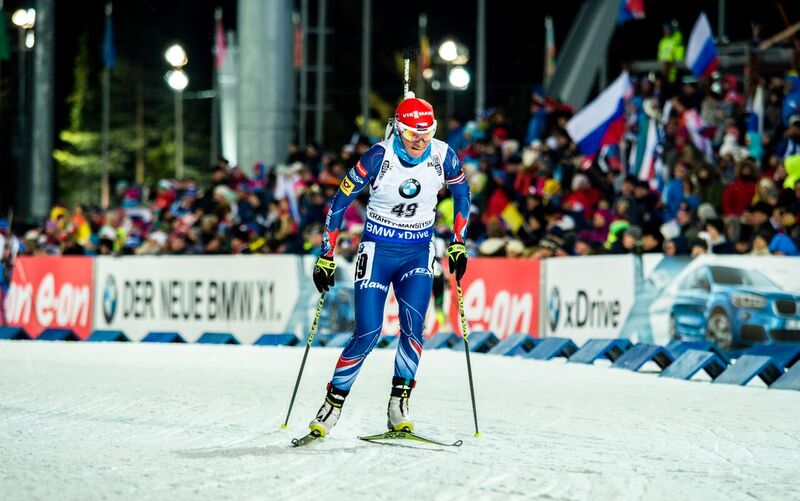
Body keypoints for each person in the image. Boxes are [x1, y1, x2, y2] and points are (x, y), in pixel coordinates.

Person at [307, 95, 471, 438]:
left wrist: (458, 241)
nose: (420, 143)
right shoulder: (379, 156)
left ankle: (399, 404)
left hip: (418, 251)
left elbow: (462, 194)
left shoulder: (443, 156)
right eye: (413, 135)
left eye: (426, 135)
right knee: (367, 332)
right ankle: (332, 404)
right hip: (378, 250)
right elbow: (339, 201)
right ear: (398, 128)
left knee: (414, 328)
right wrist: (326, 254)